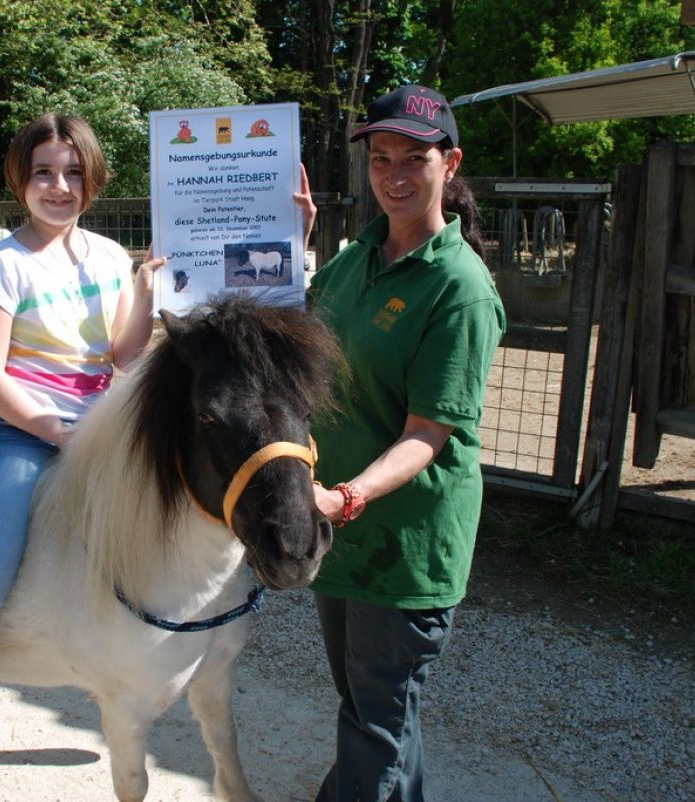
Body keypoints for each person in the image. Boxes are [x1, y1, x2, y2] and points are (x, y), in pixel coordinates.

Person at [0, 112, 165, 802]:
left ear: (90, 180)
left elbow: (123, 356)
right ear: (20, 180)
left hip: (97, 425)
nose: (58, 187)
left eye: (71, 173)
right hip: (19, 429)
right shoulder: (2, 265)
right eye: (42, 173)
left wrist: (144, 290)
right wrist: (57, 432)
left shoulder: (107, 257)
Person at [297, 85, 506, 801]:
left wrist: (347, 496)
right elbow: (303, 339)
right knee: (375, 713)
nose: (393, 174)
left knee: (373, 727)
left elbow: (427, 434)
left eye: (413, 158)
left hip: (405, 545)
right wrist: (287, 241)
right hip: (344, 531)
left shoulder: (459, 288)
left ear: (450, 163)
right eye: (380, 158)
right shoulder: (355, 259)